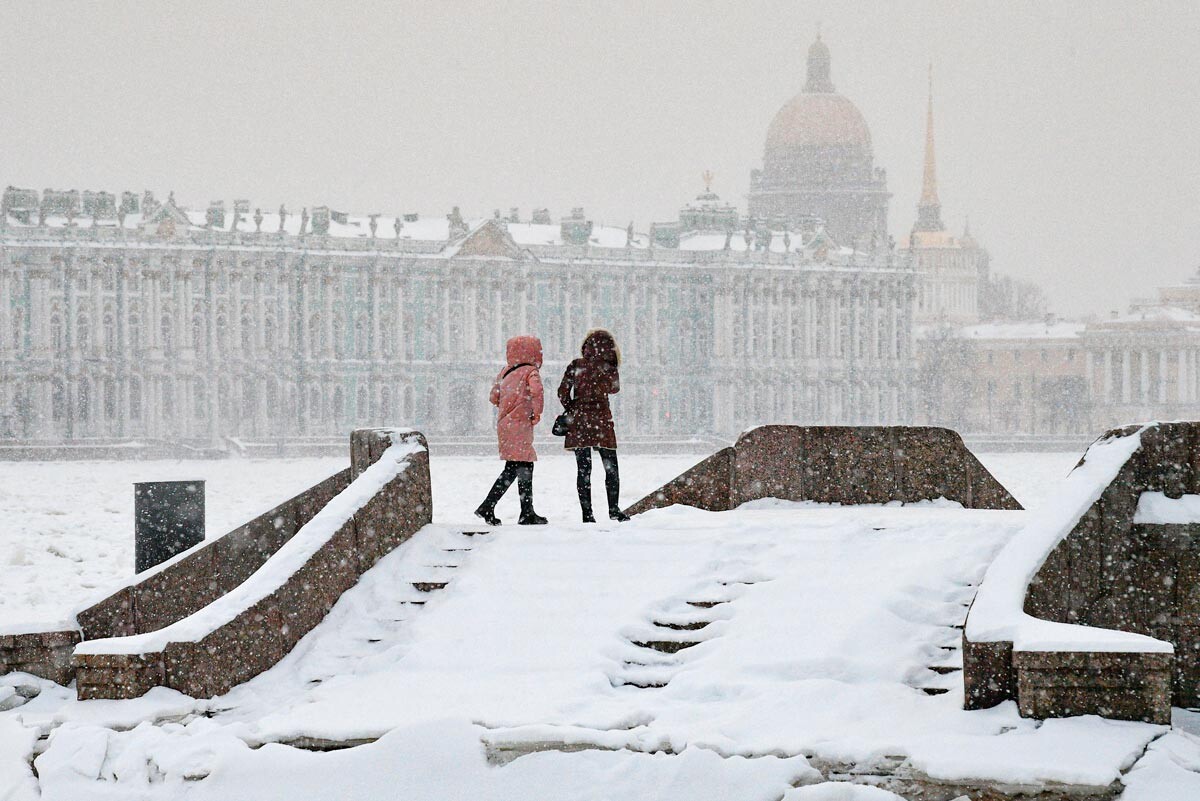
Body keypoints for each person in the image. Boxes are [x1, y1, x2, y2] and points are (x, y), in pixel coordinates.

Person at [475, 335, 548, 526]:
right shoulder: (530, 372)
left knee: (517, 466)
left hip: (505, 425)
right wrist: (536, 412)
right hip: (521, 424)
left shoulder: (505, 371)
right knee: (520, 466)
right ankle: (506, 509)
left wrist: (507, 405)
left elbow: (494, 396)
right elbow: (537, 391)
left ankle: (522, 511)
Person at [558, 329, 629, 522]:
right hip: (602, 421)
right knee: (611, 468)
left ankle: (587, 515)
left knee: (583, 470)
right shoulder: (608, 366)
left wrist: (574, 407)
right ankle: (613, 510)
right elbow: (614, 389)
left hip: (579, 422)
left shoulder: (576, 365)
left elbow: (562, 392)